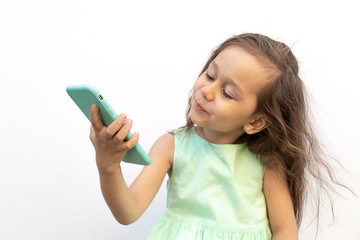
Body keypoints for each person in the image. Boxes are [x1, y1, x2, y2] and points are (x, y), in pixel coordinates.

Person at [89, 33, 346, 240]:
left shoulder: (266, 162)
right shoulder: (171, 146)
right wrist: (108, 166)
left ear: (255, 121)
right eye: (210, 75)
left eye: (228, 93)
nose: (207, 91)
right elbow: (128, 211)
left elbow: (285, 231)